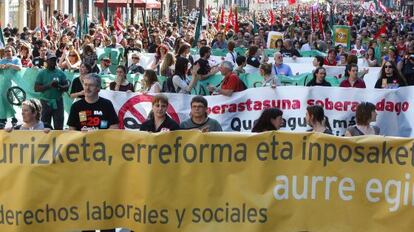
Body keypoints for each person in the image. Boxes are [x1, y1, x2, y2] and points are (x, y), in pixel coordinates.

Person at [34, 53, 69, 130]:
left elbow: (66, 87)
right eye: (51, 60)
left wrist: (59, 86)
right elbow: (36, 88)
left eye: (54, 60)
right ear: (47, 61)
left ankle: (59, 141)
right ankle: (46, 141)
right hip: (45, 102)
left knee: (59, 125)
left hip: (58, 101)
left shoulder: (60, 73)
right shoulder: (42, 73)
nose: (53, 62)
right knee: (45, 125)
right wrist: (49, 85)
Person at [0, 45, 22, 128]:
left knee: (13, 101)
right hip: (4, 84)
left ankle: (15, 119)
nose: (7, 53)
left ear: (12, 52)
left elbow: (20, 68)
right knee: (3, 100)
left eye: (9, 51)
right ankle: (3, 119)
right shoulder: (2, 60)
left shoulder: (16, 59)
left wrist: (10, 65)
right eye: (6, 51)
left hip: (14, 84)